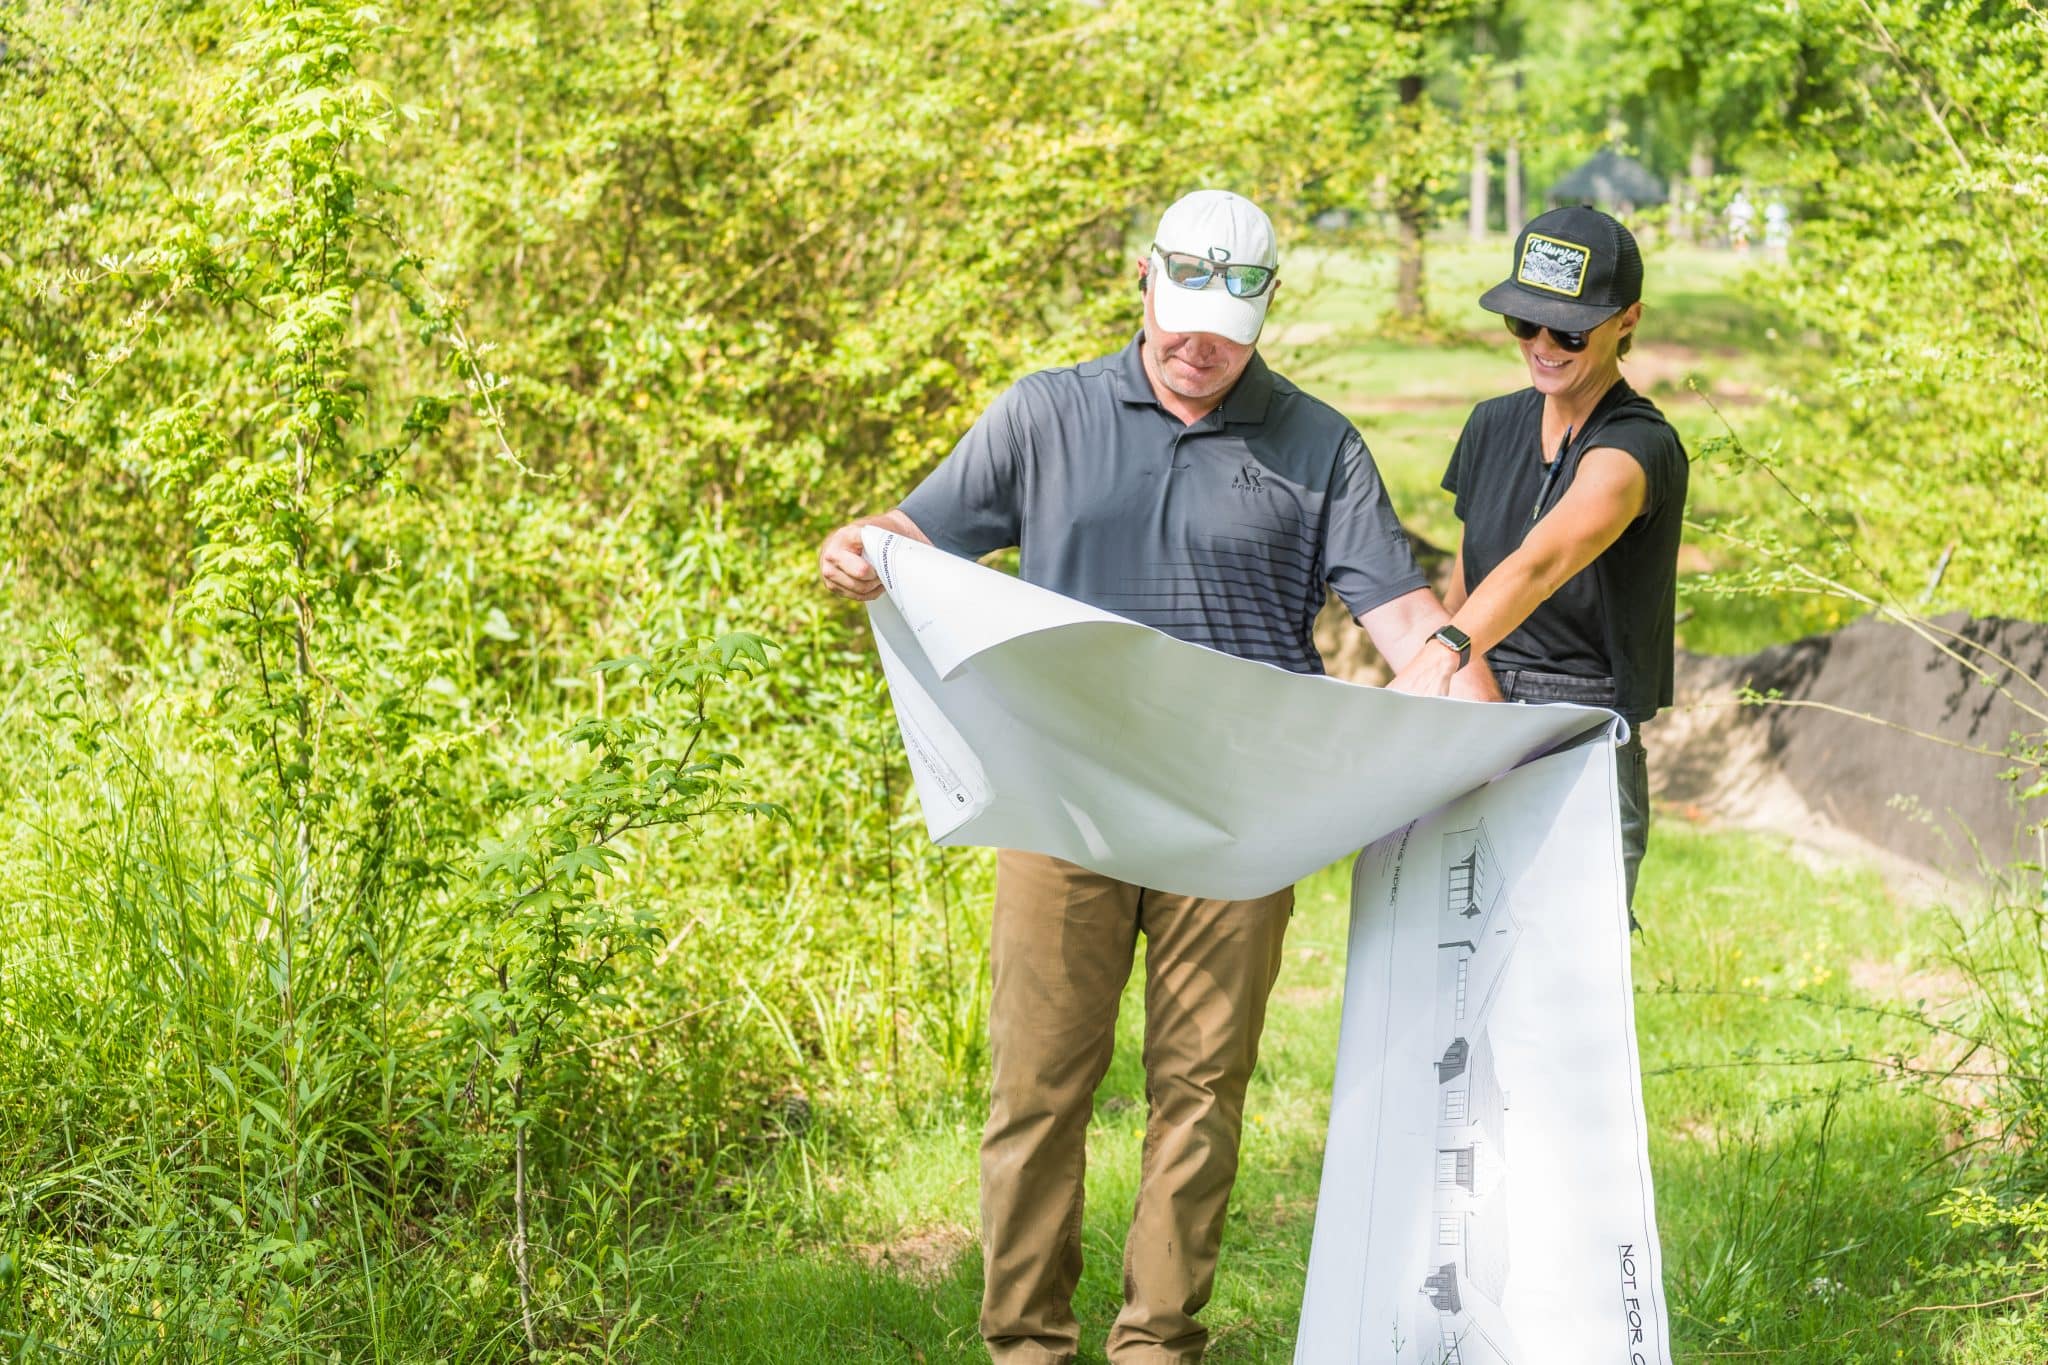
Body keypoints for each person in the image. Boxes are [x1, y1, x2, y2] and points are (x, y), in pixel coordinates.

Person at [820, 189, 1496, 1365]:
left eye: (1224, 337)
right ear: (1142, 282)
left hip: (1234, 825)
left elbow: (1402, 621)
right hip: (1064, 807)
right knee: (1038, 1094)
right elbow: (918, 538)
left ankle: (1154, 1348)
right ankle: (1025, 1346)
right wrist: (861, 549)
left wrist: (1494, 723)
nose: (1197, 352)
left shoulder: (1318, 442)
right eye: (1181, 323)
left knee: (1198, 1100)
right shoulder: (1044, 415)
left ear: (1264, 311)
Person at [1388, 206, 1688, 911]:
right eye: (1524, 323)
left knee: (1563, 992)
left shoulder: (1637, 448)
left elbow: (1540, 562)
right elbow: (1468, 585)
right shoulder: (1492, 426)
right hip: (1479, 702)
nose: (1543, 345)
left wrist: (1440, 655)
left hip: (1579, 727)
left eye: (1570, 330)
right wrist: (1471, 705)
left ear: (1628, 320)